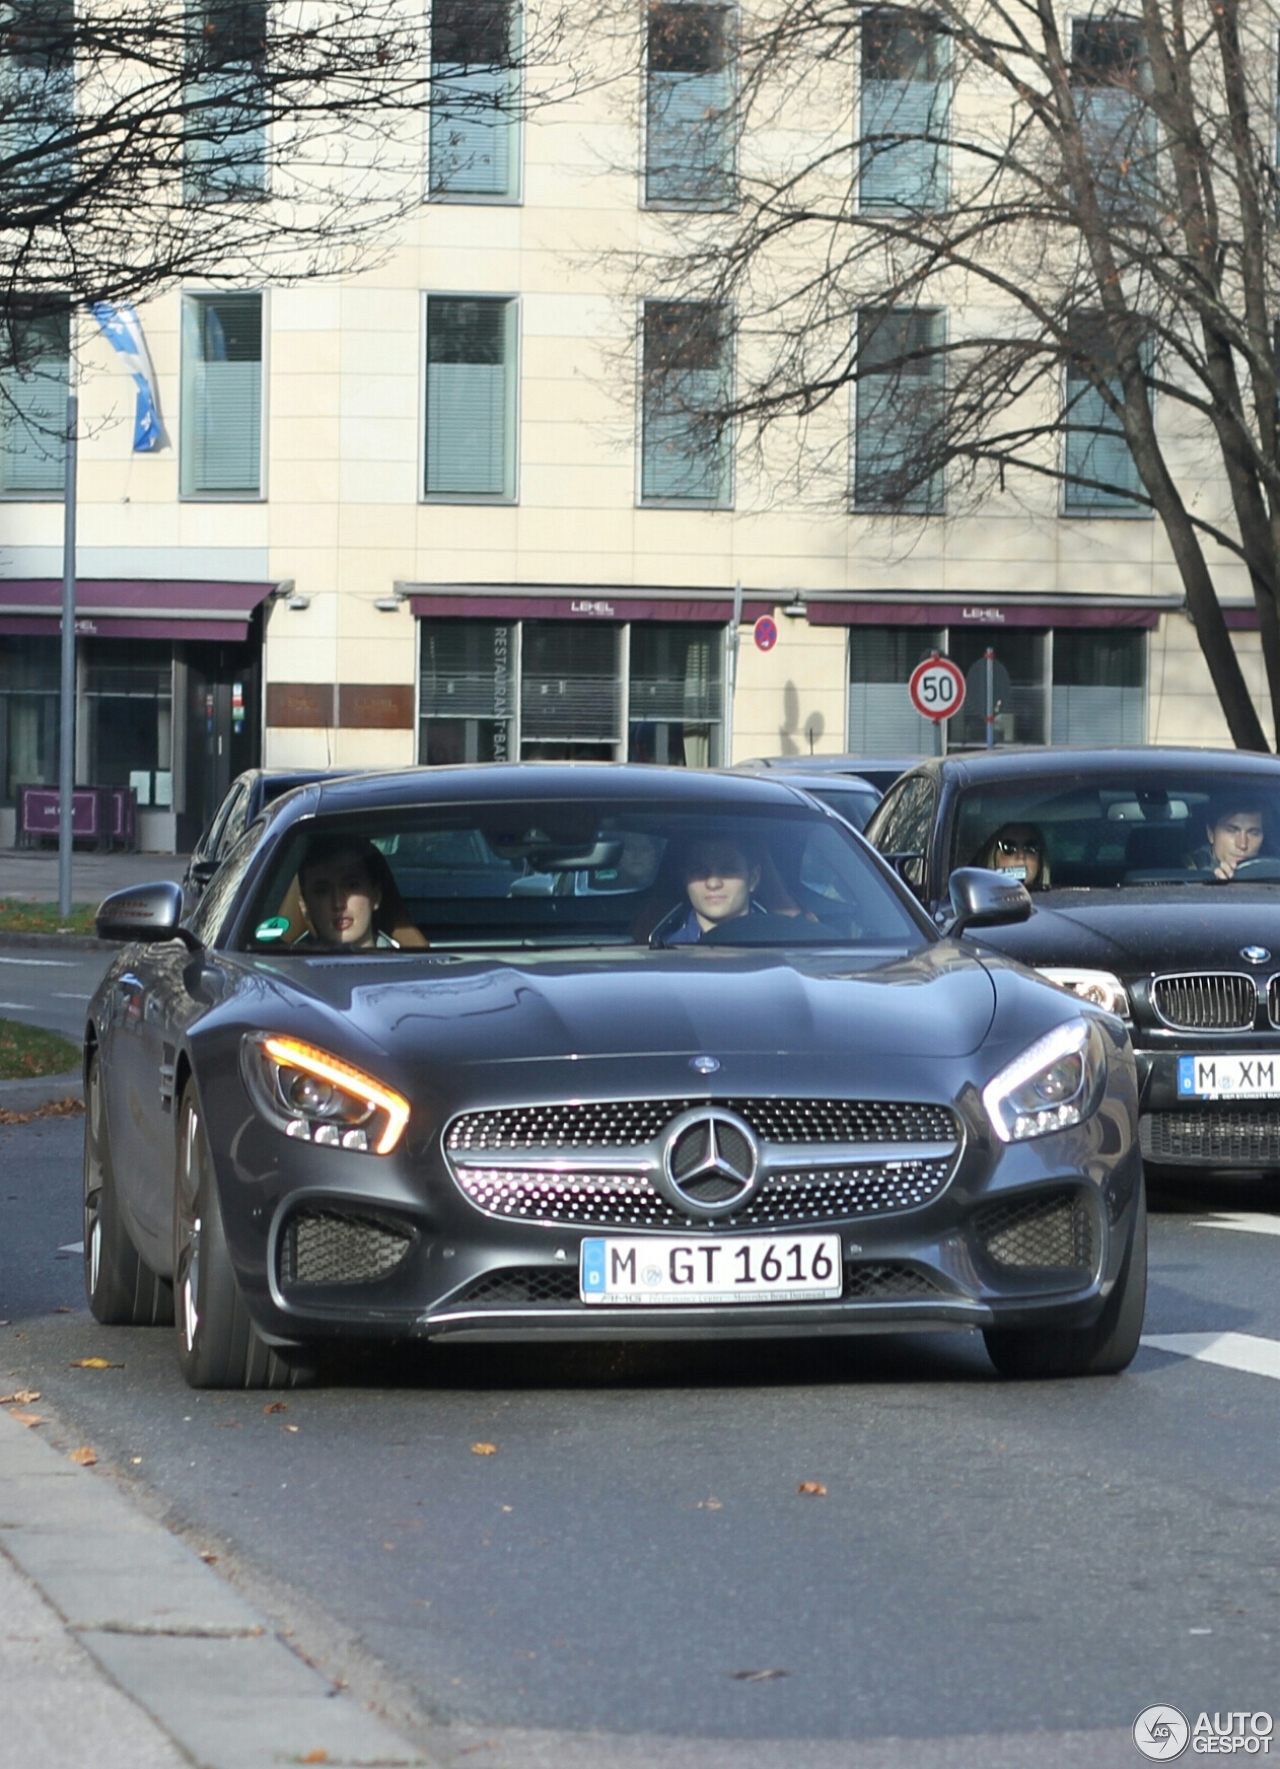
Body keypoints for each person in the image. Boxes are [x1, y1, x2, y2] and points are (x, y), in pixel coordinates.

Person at [655, 836, 769, 944]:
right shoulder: (666, 954)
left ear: (753, 878)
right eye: (699, 871)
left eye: (728, 870)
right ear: (685, 880)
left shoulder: (778, 941)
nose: (713, 884)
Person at [296, 835, 400, 949]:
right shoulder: (290, 964)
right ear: (305, 906)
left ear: (376, 896)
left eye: (351, 886)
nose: (338, 903)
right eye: (322, 891)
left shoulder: (405, 964)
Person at [1186, 801, 1266, 881]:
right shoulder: (1185, 870)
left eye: (1254, 833)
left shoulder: (1271, 872)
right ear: (1211, 834)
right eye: (1231, 831)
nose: (1242, 844)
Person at [973, 822, 1050, 891]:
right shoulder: (978, 901)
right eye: (1009, 847)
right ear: (992, 856)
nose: (1021, 856)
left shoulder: (1057, 901)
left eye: (1031, 847)